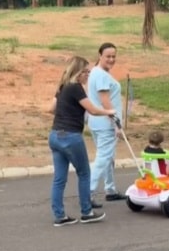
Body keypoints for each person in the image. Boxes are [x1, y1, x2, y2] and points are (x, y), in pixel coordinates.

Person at [48, 55, 115, 226]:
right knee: (84, 173)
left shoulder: (62, 87)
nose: (88, 74)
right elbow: (92, 110)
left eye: (89, 71)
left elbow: (51, 109)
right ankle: (87, 211)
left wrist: (66, 113)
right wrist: (110, 112)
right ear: (77, 72)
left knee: (59, 179)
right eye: (85, 71)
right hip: (71, 136)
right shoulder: (76, 88)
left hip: (55, 135)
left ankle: (60, 216)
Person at [88, 42, 126, 204]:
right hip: (105, 124)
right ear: (100, 56)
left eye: (113, 56)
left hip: (96, 122)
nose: (111, 59)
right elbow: (105, 102)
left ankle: (110, 189)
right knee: (103, 158)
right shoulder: (101, 75)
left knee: (109, 157)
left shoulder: (96, 72)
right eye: (108, 56)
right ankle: (88, 192)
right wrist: (116, 123)